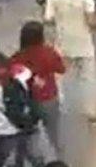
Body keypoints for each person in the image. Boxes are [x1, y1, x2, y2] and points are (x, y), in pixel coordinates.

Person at [44, 0, 96, 123]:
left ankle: (59, 106)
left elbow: (48, 20)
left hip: (63, 42)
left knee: (60, 76)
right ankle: (90, 112)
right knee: (87, 78)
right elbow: (90, 21)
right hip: (83, 43)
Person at [10, 21, 66, 152]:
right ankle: (59, 161)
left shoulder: (18, 56)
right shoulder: (49, 52)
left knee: (28, 135)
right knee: (53, 134)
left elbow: (12, 76)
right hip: (49, 98)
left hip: (29, 100)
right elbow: (61, 69)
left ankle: (27, 161)